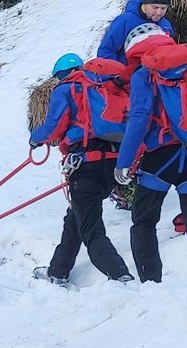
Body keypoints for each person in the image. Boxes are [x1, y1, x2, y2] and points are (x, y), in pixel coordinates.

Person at [115, 26, 187, 284]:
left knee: (143, 221)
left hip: (161, 157)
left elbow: (139, 118)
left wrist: (124, 162)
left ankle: (151, 283)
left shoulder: (145, 73)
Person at [30, 53, 134, 285]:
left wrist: (36, 139)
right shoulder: (107, 86)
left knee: (91, 229)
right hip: (114, 163)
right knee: (75, 217)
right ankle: (58, 271)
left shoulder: (67, 88)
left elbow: (54, 126)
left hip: (86, 165)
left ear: (61, 74)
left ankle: (120, 276)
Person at [97, 0, 175, 63]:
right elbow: (106, 51)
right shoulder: (125, 21)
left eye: (163, 8)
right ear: (145, 4)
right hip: (127, 69)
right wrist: (118, 70)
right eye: (155, 7)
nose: (159, 12)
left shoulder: (166, 25)